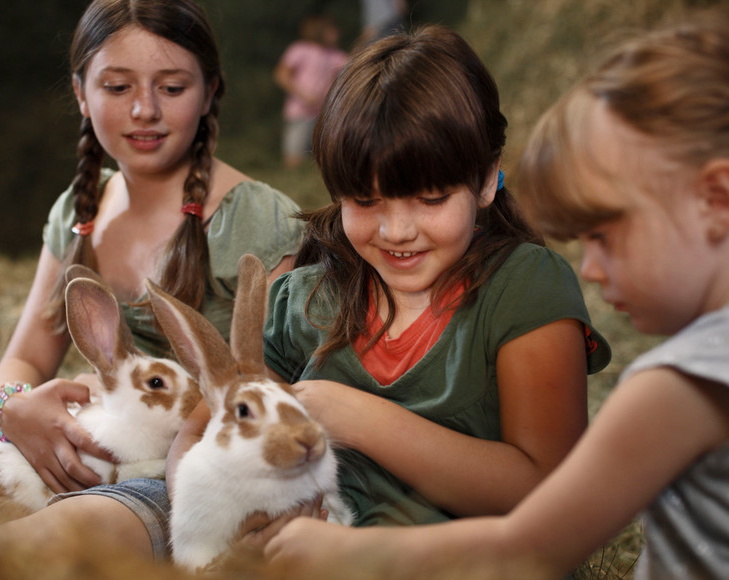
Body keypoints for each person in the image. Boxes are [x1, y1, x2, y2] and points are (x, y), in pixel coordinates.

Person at [263, 12, 729, 580]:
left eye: (603, 236)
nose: (592, 270)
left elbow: (535, 536)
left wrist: (355, 539)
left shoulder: (675, 386)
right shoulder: (308, 297)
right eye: (364, 200)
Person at [0, 0, 303, 561]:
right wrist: (14, 409)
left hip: (180, 474)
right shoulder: (79, 209)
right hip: (75, 451)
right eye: (117, 87)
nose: (144, 109)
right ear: (80, 92)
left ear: (211, 90)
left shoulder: (258, 222)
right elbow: (22, 359)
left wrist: (167, 446)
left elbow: (276, 383)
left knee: (37, 547)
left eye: (172, 88)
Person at [273, 14, 348, 170]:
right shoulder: (300, 49)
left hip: (325, 114)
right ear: (320, 31)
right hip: (300, 112)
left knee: (326, 156)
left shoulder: (335, 54)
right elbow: (281, 75)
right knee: (295, 154)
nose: (337, 34)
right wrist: (304, 95)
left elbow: (352, 66)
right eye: (332, 31)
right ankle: (291, 185)